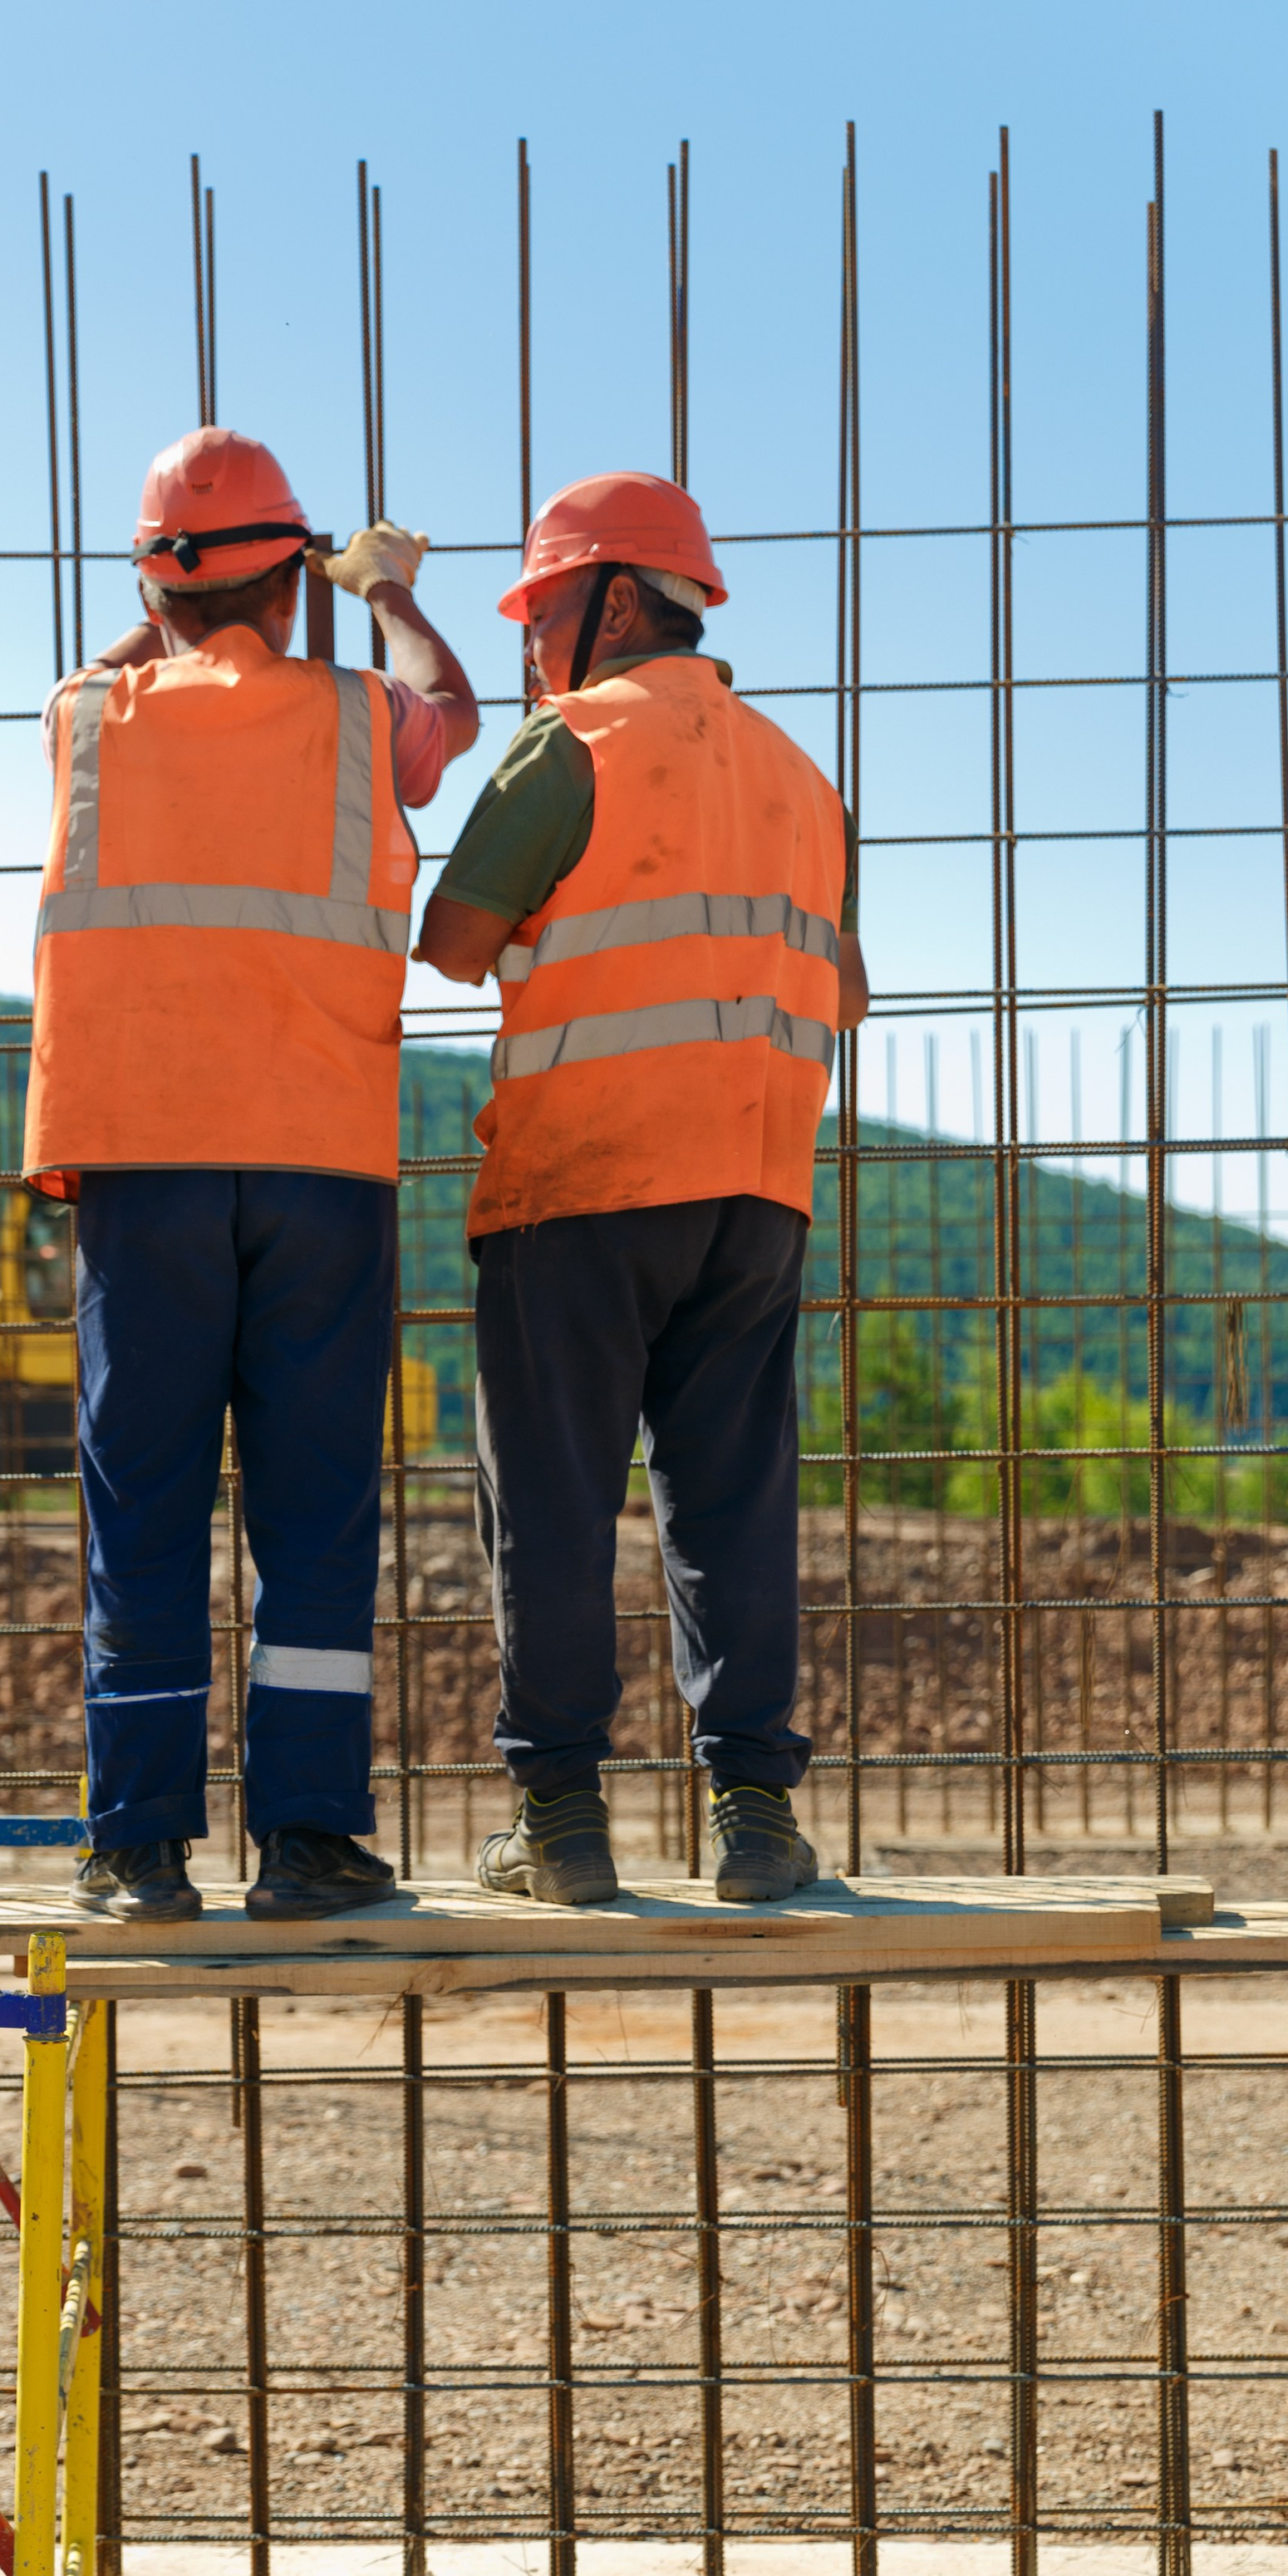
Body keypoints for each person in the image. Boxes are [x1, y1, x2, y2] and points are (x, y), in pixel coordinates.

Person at [25, 425, 479, 1921]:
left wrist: (190, 593)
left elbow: (137, 653)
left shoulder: (88, 715)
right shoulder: (361, 717)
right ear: (297, 582)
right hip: (317, 1161)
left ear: (157, 586)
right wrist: (390, 594)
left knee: (142, 1502)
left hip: (141, 1159)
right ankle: (307, 1837)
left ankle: (138, 1848)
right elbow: (451, 714)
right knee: (314, 1508)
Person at [413, 469, 868, 1906]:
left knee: (547, 1503)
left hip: (584, 1181)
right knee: (730, 1501)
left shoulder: (576, 745)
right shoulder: (804, 778)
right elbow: (845, 989)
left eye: (541, 608)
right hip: (759, 1189)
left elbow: (456, 943)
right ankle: (755, 1821)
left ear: (613, 598)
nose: (531, 639)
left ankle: (559, 1825)